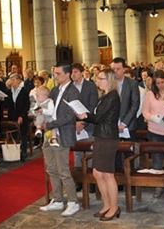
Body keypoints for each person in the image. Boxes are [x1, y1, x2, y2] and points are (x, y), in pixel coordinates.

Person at [77, 68, 121, 221]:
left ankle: (114, 207)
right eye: (97, 78)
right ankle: (107, 204)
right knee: (97, 172)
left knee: (107, 173)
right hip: (101, 136)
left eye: (101, 78)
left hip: (108, 137)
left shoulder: (112, 97)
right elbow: (98, 116)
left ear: (109, 80)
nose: (97, 81)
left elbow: (98, 117)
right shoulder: (105, 96)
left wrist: (85, 116)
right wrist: (86, 115)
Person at [40, 63, 80, 217]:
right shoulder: (55, 90)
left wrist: (50, 124)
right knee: (51, 168)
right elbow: (48, 107)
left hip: (62, 133)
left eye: (57, 73)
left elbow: (69, 116)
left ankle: (72, 202)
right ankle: (57, 199)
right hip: (50, 134)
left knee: (63, 170)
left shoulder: (73, 91)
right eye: (54, 73)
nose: (55, 76)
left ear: (67, 74)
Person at [142, 70, 164, 198]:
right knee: (157, 159)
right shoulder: (150, 94)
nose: (160, 85)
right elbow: (145, 112)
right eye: (157, 83)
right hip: (154, 130)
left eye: (162, 82)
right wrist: (153, 117)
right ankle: (159, 185)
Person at [111, 57, 140, 139]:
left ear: (124, 69)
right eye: (113, 69)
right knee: (114, 151)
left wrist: (124, 123)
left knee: (129, 150)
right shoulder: (109, 83)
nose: (115, 71)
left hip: (128, 125)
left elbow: (135, 106)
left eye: (118, 69)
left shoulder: (132, 84)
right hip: (112, 126)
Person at [9, 73, 31, 161]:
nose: (12, 81)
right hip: (12, 116)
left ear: (18, 80)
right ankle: (14, 153)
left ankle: (24, 152)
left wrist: (21, 116)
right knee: (13, 134)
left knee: (23, 134)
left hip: (22, 115)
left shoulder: (24, 91)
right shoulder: (8, 91)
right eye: (11, 79)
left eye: (13, 79)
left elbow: (26, 105)